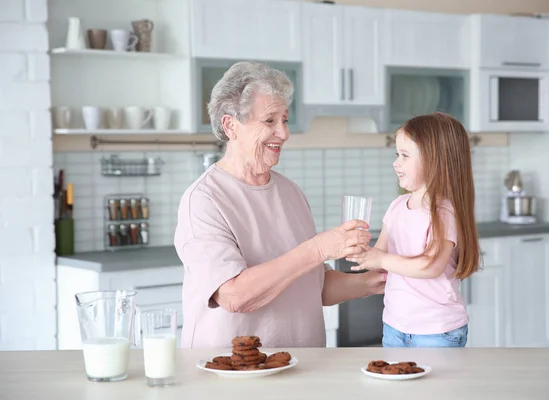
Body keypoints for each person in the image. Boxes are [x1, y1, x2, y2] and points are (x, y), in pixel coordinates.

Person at [174, 61, 386, 348]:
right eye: (270, 120)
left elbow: (314, 286)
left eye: (284, 120)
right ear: (230, 126)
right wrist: (319, 248)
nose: (283, 133)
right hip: (233, 375)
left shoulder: (290, 192)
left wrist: (374, 282)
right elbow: (234, 296)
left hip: (301, 371)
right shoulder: (203, 200)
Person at [346, 112, 480, 348]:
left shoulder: (443, 213)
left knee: (434, 386)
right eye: (397, 154)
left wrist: (382, 258)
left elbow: (430, 266)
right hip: (395, 325)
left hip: (437, 330)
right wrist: (362, 253)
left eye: (405, 156)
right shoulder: (397, 207)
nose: (396, 162)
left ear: (435, 160)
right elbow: (380, 256)